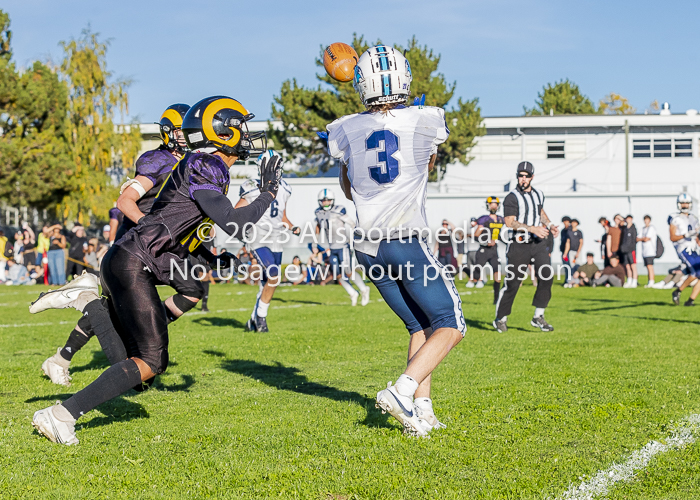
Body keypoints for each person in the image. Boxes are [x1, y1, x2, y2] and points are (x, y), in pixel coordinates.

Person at [31, 95, 281, 445]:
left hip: (141, 260)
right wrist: (268, 192)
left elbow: (185, 228)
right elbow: (234, 223)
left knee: (139, 368)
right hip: (137, 261)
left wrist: (211, 260)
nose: (246, 133)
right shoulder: (207, 165)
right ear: (223, 131)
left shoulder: (204, 165)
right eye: (240, 126)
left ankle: (89, 307)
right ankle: (60, 414)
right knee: (149, 361)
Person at [327, 45, 464, 437]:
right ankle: (402, 391)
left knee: (420, 326)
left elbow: (350, 190)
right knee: (451, 322)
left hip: (368, 246)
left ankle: (423, 412)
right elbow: (427, 166)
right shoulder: (426, 119)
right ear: (404, 77)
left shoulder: (345, 129)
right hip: (404, 238)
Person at [31, 104, 207, 387]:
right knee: (118, 320)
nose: (185, 136)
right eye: (179, 131)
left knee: (191, 290)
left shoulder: (192, 163)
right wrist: (149, 227)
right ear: (167, 132)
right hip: (136, 245)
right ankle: (68, 352)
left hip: (158, 246)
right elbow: (124, 202)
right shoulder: (158, 160)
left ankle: (61, 358)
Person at [236, 151, 300, 332]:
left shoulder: (285, 188)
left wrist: (292, 227)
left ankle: (252, 321)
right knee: (274, 275)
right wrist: (243, 232)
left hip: (276, 240)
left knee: (268, 282)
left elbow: (283, 217)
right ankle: (262, 319)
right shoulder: (251, 187)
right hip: (258, 239)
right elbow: (235, 214)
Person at [493, 161, 559, 333]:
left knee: (546, 276)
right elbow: (509, 222)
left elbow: (540, 212)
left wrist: (550, 224)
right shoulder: (512, 197)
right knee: (513, 283)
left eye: (526, 176)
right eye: (520, 176)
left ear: (532, 177)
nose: (523, 179)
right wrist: (532, 229)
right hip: (519, 244)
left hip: (537, 244)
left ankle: (538, 316)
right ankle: (500, 318)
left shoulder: (538, 194)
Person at [315, 188, 370, 306]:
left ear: (332, 200)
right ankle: (352, 293)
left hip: (343, 246)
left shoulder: (338, 210)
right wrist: (315, 242)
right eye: (323, 201)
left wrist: (355, 237)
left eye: (328, 200)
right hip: (332, 248)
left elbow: (352, 223)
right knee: (337, 275)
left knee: (348, 272)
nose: (326, 203)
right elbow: (318, 225)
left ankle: (364, 289)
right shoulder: (318, 212)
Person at [669, 193, 700, 306]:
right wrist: (685, 235)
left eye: (686, 203)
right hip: (683, 249)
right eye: (683, 203)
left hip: (693, 249)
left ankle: (690, 300)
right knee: (696, 272)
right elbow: (672, 237)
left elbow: (697, 237)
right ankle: (678, 291)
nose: (685, 205)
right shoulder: (674, 218)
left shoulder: (694, 218)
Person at [474, 196, 504, 303]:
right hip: (483, 249)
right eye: (492, 204)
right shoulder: (484, 219)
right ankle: (467, 272)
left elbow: (500, 235)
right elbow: (476, 235)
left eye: (495, 204)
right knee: (476, 273)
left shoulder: (501, 219)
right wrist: (486, 242)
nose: (493, 206)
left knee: (497, 274)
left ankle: (496, 299)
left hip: (494, 251)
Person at [639, 215, 658, 287]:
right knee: (647, 266)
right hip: (644, 251)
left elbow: (647, 238)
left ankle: (651, 281)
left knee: (650, 266)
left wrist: (643, 238)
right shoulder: (643, 229)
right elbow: (638, 238)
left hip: (650, 251)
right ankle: (649, 280)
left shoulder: (651, 228)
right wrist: (642, 239)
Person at [620, 214, 638, 287]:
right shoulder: (625, 229)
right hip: (625, 250)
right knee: (627, 266)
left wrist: (631, 247)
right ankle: (629, 280)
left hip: (631, 250)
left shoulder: (633, 228)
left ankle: (634, 281)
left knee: (633, 266)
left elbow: (634, 240)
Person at [464, 217, 480, 287]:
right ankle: (471, 280)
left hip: (476, 250)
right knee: (469, 267)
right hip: (469, 250)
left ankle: (479, 280)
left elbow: (477, 235)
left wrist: (469, 235)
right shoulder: (469, 229)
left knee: (477, 267)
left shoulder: (478, 228)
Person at [559, 216, 571, 281]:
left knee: (570, 266)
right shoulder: (563, 231)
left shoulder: (570, 230)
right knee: (566, 266)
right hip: (563, 250)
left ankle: (570, 280)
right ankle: (567, 279)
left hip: (569, 251)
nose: (565, 223)